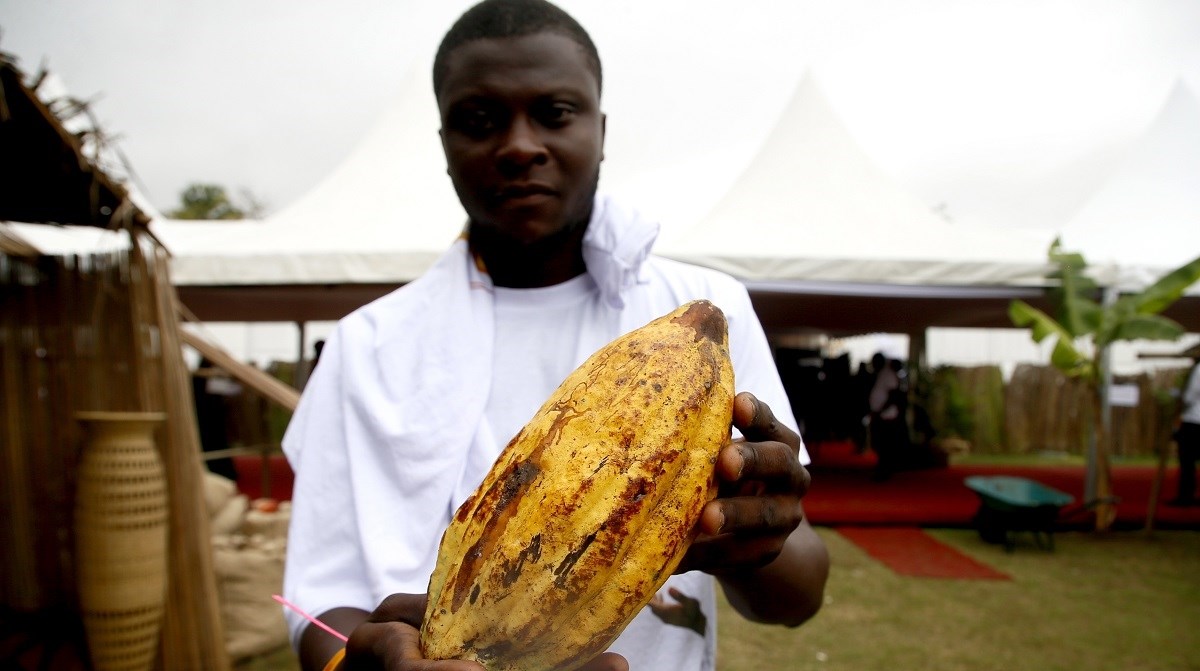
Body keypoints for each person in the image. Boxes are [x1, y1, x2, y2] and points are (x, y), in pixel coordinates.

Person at [281, 2, 830, 669]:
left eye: (555, 113)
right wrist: (359, 660)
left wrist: (757, 541)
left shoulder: (706, 315)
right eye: (480, 121)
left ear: (600, 130)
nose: (519, 145)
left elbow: (798, 596)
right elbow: (322, 602)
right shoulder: (366, 345)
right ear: (445, 144)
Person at [1168, 356, 1200, 506]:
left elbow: (1190, 395)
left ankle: (1186, 496)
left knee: (1187, 460)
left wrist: (1180, 398)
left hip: (1194, 420)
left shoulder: (1199, 369)